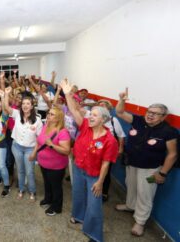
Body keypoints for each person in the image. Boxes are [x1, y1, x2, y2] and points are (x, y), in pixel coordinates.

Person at [60, 79, 118, 242]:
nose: (90, 116)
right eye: (90, 114)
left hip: (94, 175)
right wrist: (67, 94)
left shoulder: (109, 140)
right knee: (78, 194)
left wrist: (100, 182)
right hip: (79, 168)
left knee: (94, 205)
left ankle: (94, 234)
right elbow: (73, 109)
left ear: (103, 119)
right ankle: (78, 216)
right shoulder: (85, 125)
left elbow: (106, 163)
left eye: (94, 115)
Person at [114, 89, 177, 237]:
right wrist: (122, 99)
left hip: (150, 169)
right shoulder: (138, 120)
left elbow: (172, 154)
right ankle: (130, 205)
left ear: (163, 117)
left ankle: (140, 221)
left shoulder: (169, 131)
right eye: (149, 111)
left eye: (155, 113)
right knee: (131, 186)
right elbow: (120, 112)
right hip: (132, 163)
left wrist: (162, 173)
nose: (150, 114)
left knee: (145, 194)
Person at [2, 87, 42, 201]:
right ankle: (21, 189)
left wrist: (34, 152)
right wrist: (6, 94)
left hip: (30, 149)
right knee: (20, 170)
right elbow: (6, 107)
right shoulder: (17, 114)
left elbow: (39, 139)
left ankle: (32, 191)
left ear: (32, 106)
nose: (25, 105)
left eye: (28, 103)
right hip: (17, 147)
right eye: (23, 103)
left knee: (29, 172)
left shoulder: (37, 120)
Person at [36, 107, 71, 216]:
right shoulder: (46, 126)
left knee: (56, 187)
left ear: (58, 118)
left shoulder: (63, 132)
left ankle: (56, 207)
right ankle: (48, 199)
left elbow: (66, 151)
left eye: (52, 114)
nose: (48, 116)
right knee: (47, 183)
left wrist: (52, 145)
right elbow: (40, 141)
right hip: (44, 163)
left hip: (56, 167)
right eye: (49, 113)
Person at [97, 99, 126, 202]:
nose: (102, 107)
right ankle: (94, 189)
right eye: (99, 105)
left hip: (108, 151)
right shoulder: (94, 118)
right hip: (96, 150)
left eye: (104, 105)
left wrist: (121, 149)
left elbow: (121, 135)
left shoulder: (114, 120)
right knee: (94, 170)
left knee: (106, 172)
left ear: (109, 108)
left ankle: (104, 192)